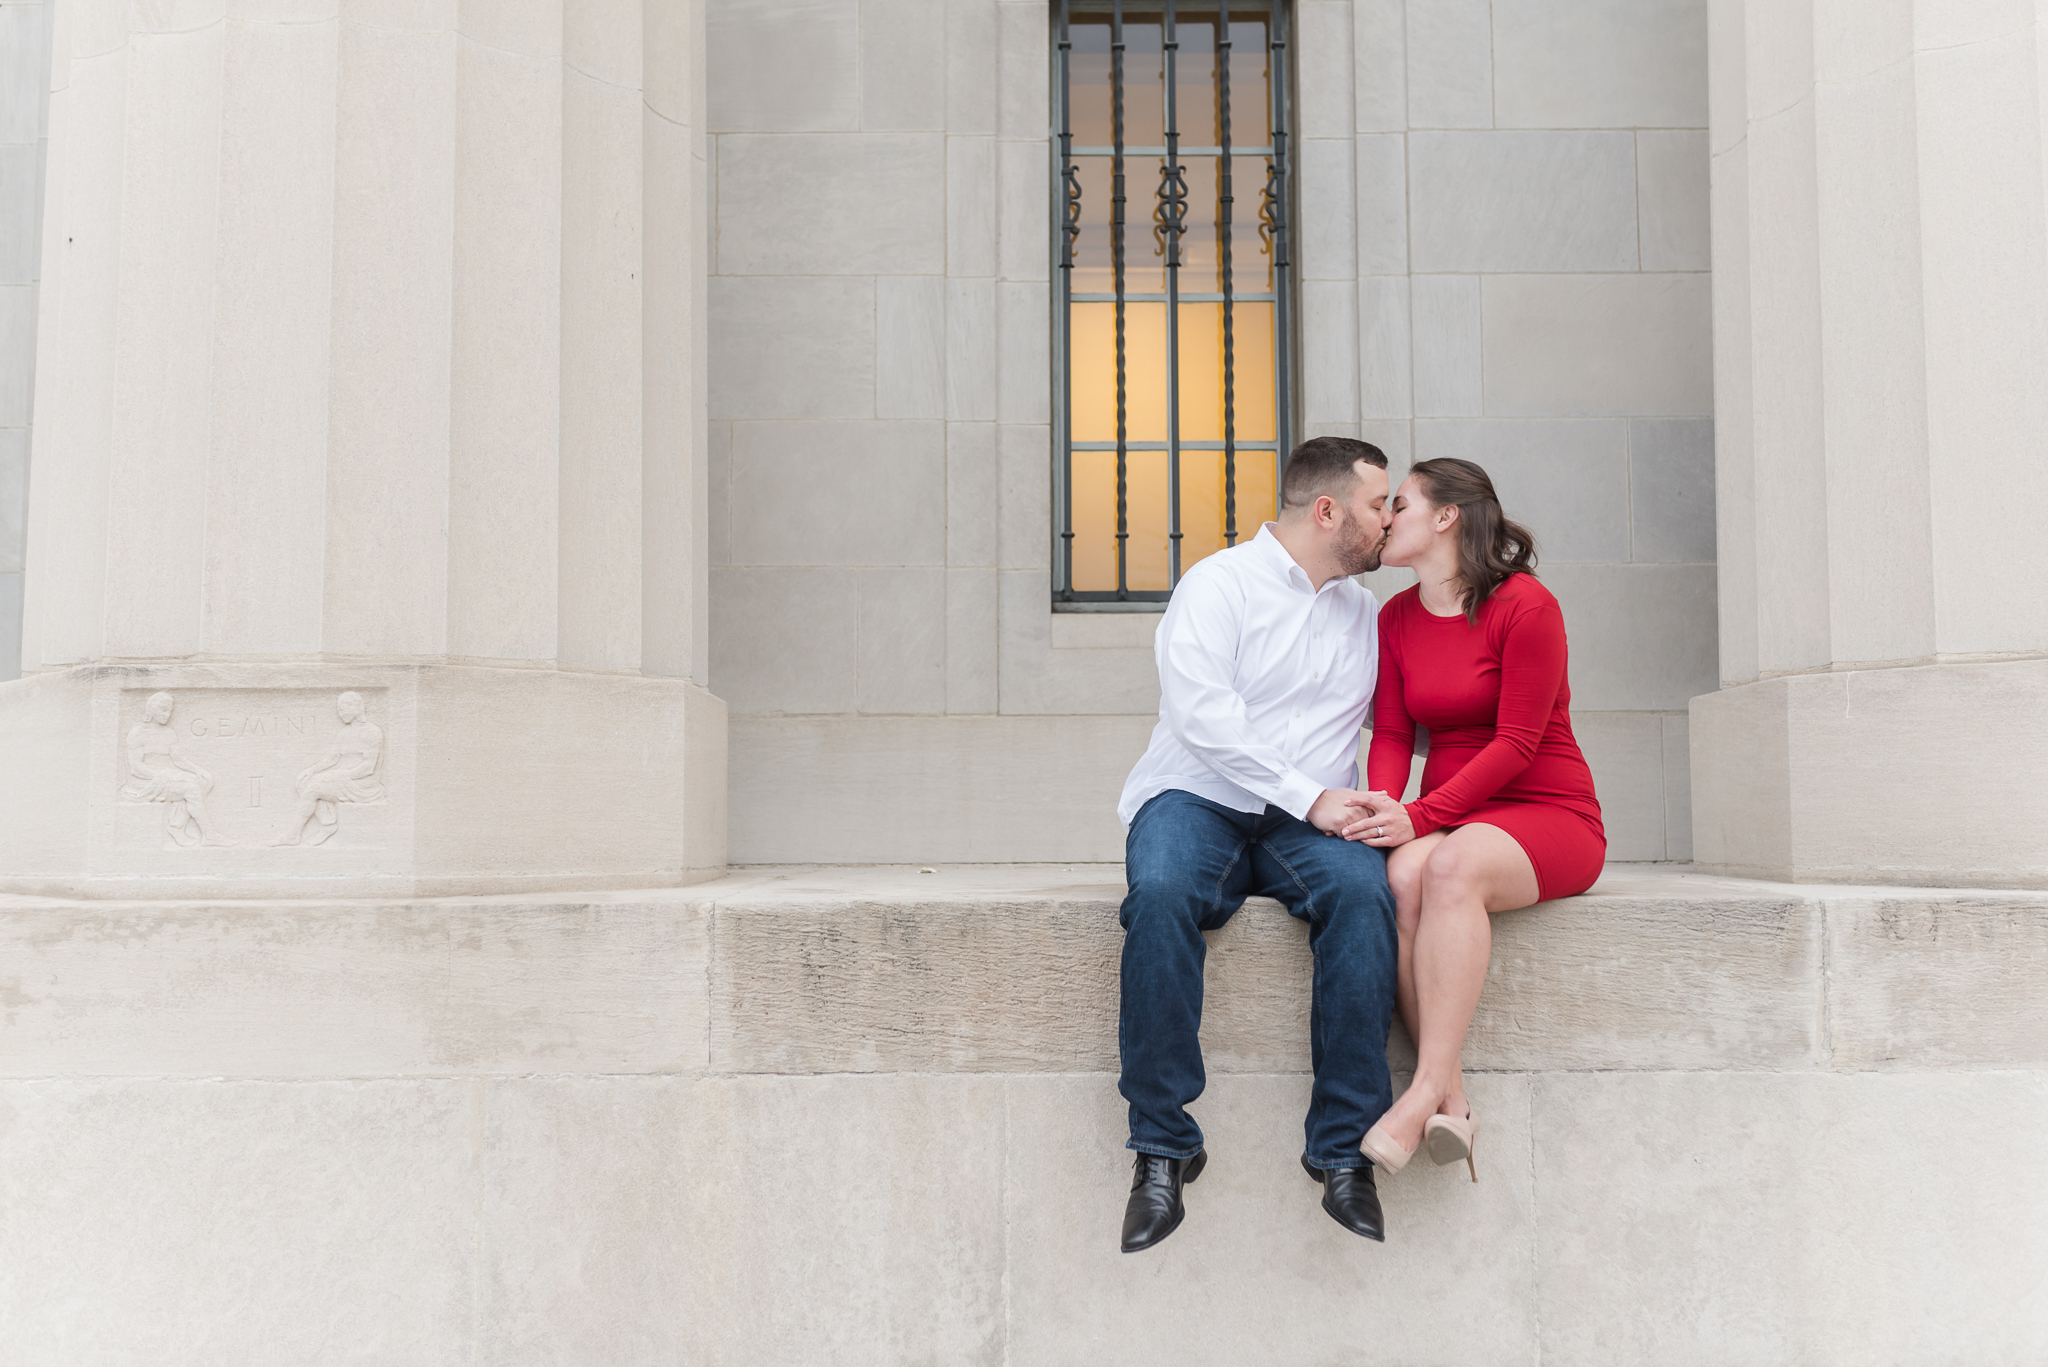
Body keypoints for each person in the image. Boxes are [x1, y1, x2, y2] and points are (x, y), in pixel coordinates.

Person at [1115, 436, 1400, 1252]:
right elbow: (1205, 716)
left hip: (1303, 824)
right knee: (1163, 894)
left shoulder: (1364, 612)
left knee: (1362, 894)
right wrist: (1312, 796)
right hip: (1197, 798)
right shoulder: (1218, 584)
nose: (1389, 520)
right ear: (1327, 510)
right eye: (1379, 505)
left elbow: (1405, 717)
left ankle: (1343, 1151)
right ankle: (1163, 1147)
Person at [1339, 458, 1605, 1181]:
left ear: (1447, 516)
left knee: (1450, 865)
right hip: (1455, 815)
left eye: (1400, 503)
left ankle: (1423, 1090)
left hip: (1547, 810)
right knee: (1400, 873)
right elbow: (1391, 734)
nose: (1385, 518)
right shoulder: (1395, 617)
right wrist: (1387, 810)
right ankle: (1452, 1100)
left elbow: (1518, 743)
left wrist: (1422, 814)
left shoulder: (1527, 606)